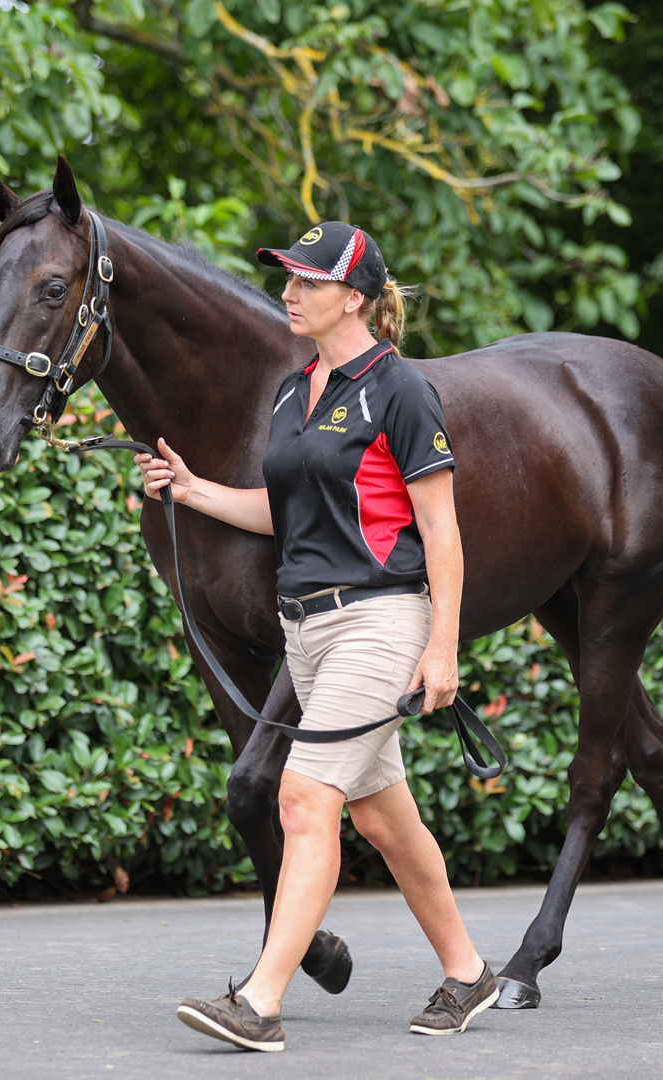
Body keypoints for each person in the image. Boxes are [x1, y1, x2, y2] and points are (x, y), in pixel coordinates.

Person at [136, 222, 495, 1052]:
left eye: (307, 281)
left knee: (301, 799)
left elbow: (441, 529)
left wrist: (442, 646)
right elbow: (284, 511)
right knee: (384, 821)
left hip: (380, 620)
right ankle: (469, 972)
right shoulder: (293, 391)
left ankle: (259, 1001)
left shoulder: (400, 392)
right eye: (287, 278)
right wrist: (191, 490)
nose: (289, 293)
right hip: (307, 631)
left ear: (355, 298)